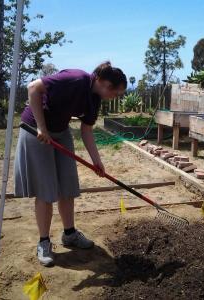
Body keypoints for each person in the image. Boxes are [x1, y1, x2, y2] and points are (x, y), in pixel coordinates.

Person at [14, 62, 127, 266]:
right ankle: (44, 242)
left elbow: (86, 130)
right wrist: (41, 127)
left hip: (60, 131)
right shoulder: (75, 79)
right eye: (116, 92)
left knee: (67, 185)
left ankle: (69, 234)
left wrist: (97, 162)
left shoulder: (95, 98)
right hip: (35, 129)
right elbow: (33, 88)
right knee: (46, 189)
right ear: (104, 82)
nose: (115, 97)